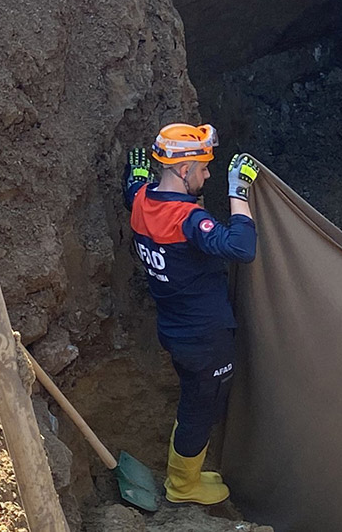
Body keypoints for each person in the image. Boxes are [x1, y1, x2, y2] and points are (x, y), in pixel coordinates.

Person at [123, 123, 260, 505]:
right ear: (184, 171)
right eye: (204, 168)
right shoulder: (187, 221)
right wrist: (238, 192)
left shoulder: (141, 201)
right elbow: (242, 247)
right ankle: (183, 487)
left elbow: (131, 188)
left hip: (174, 329)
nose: (209, 174)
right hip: (205, 339)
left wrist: (135, 176)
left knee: (192, 401)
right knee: (200, 408)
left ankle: (188, 474)